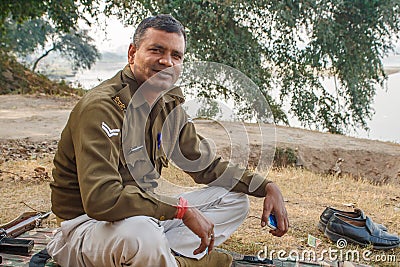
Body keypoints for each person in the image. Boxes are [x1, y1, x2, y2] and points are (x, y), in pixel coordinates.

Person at [47, 14, 289, 267]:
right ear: (132, 53)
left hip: (144, 214)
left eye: (176, 55)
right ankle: (181, 262)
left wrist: (266, 186)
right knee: (141, 235)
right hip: (87, 228)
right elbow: (101, 200)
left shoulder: (166, 105)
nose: (167, 62)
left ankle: (168, 260)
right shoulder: (102, 108)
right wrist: (180, 211)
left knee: (233, 199)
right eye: (156, 50)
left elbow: (204, 164)